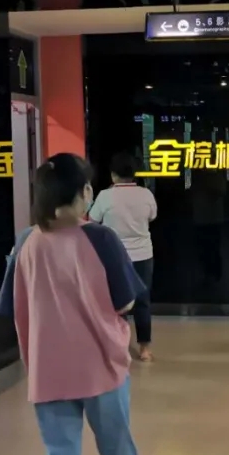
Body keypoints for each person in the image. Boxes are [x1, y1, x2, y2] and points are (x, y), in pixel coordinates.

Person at [13, 154, 161, 455]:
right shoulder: (99, 238)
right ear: (82, 193)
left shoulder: (26, 243)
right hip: (100, 366)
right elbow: (126, 301)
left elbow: (15, 305)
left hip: (48, 370)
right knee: (116, 445)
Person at [88, 154, 158, 361]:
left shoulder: (105, 196)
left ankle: (119, 346)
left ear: (113, 175)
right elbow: (152, 216)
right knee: (142, 301)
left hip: (114, 256)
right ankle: (145, 349)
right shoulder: (146, 194)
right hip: (143, 254)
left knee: (116, 303)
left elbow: (92, 219)